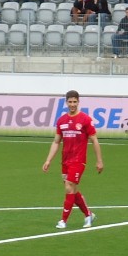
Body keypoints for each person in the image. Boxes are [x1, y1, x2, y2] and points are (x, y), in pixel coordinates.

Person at [42, 90, 104, 230]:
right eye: (70, 102)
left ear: (78, 102)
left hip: (78, 161)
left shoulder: (85, 119)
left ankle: (63, 220)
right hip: (65, 161)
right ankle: (88, 215)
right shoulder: (61, 120)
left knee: (69, 186)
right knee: (72, 190)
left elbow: (94, 140)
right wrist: (48, 160)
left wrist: (99, 160)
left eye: (75, 102)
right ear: (66, 102)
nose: (72, 104)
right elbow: (56, 142)